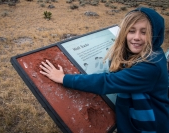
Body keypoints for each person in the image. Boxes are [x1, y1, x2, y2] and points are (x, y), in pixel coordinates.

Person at [39, 7, 169, 133]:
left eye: (144, 32)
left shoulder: (151, 67)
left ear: (155, 35)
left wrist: (64, 78)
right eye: (131, 30)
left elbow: (107, 81)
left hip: (149, 127)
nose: (136, 37)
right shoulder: (146, 55)